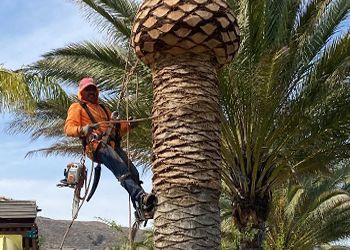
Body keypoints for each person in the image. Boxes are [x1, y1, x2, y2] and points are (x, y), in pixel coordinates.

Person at [64, 77, 156, 219]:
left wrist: (129, 125)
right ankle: (141, 196)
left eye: (93, 89)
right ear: (81, 92)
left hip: (111, 145)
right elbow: (68, 128)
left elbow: (117, 128)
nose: (91, 92)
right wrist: (83, 129)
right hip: (96, 146)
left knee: (134, 173)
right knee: (122, 171)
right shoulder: (77, 107)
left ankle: (141, 209)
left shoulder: (104, 109)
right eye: (87, 90)